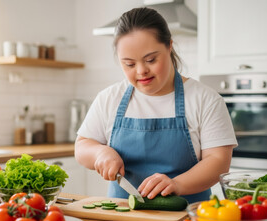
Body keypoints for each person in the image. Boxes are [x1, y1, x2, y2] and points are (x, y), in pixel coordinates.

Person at [75, 7, 237, 203]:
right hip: (123, 220)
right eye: (129, 64)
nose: (141, 70)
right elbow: (82, 146)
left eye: (150, 60)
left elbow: (218, 162)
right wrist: (100, 152)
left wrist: (177, 184)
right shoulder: (109, 98)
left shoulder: (206, 100)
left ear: (169, 46)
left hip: (187, 220)